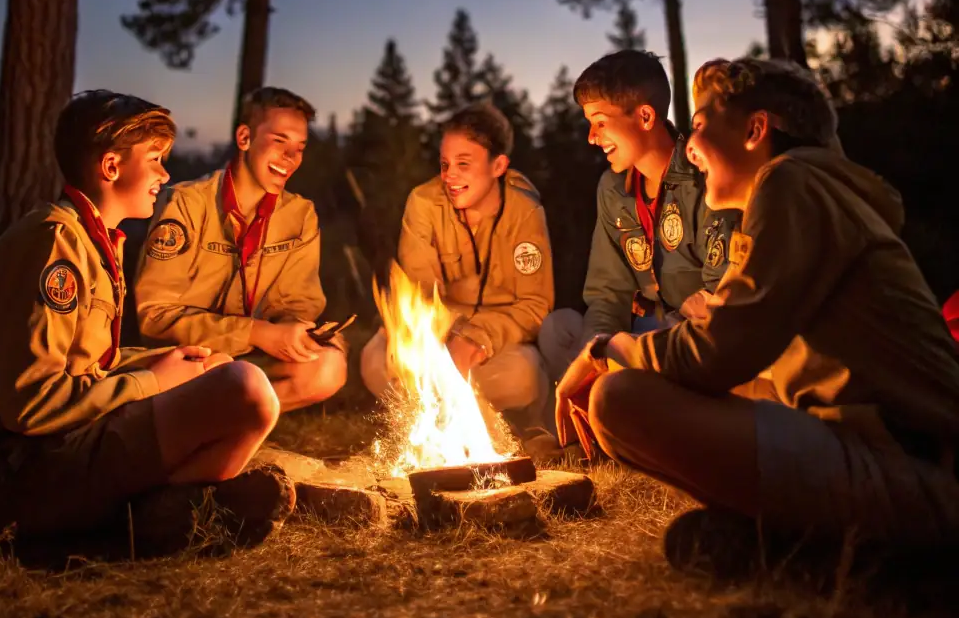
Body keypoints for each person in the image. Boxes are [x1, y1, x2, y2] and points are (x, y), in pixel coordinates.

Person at [557, 58, 959, 546]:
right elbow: (740, 349)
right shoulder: (800, 194)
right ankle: (789, 539)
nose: (692, 146)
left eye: (701, 126)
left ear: (754, 129)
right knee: (653, 388)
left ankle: (863, 545)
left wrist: (609, 350)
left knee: (618, 400)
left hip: (913, 464)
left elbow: (718, 351)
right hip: (883, 450)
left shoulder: (792, 183)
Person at [0, 91, 289, 549]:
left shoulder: (93, 241)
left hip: (44, 452)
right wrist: (152, 382)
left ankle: (158, 513)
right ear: (111, 167)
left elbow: (84, 363)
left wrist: (165, 361)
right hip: (5, 473)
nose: (165, 173)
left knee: (220, 369)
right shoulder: (54, 243)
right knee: (246, 390)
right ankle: (129, 526)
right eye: (156, 159)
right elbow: (33, 403)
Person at [136, 86, 346, 414]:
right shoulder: (186, 203)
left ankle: (223, 421)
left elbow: (297, 301)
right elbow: (155, 316)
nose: (291, 159)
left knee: (327, 366)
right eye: (279, 142)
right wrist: (257, 333)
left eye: (299, 148)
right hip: (185, 359)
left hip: (247, 358)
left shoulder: (299, 215)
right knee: (224, 371)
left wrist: (298, 331)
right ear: (245, 138)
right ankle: (186, 420)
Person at [538, 51, 738, 384]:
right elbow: (607, 292)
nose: (592, 137)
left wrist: (630, 348)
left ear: (645, 116)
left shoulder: (703, 176)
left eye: (600, 123)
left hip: (694, 335)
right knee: (559, 330)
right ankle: (595, 412)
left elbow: (721, 294)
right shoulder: (614, 190)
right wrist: (598, 350)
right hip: (640, 331)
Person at [360, 103, 554, 434]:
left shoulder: (525, 213)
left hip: (496, 348)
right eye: (445, 164)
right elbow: (421, 296)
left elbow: (534, 306)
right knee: (374, 359)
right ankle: (464, 420)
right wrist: (451, 333)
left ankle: (429, 413)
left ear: (498, 166)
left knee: (525, 375)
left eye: (464, 164)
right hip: (436, 341)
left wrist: (478, 337)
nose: (450, 175)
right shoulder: (423, 203)